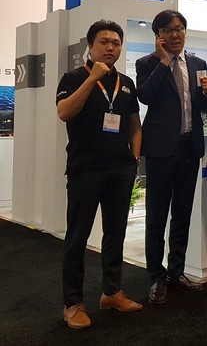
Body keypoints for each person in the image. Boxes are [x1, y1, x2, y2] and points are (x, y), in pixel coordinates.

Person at [56, 20, 143, 329]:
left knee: (115, 233)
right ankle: (73, 303)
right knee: (77, 237)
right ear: (90, 46)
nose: (110, 48)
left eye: (116, 43)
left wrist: (133, 160)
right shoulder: (74, 77)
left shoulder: (126, 82)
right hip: (85, 170)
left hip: (120, 170)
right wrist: (92, 79)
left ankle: (112, 292)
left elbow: (134, 124)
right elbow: (64, 112)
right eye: (104, 42)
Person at [136, 10, 207, 304]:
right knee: (156, 218)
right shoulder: (147, 63)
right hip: (160, 151)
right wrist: (163, 62)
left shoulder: (197, 64)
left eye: (179, 28)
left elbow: (205, 109)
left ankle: (176, 272)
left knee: (182, 215)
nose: (175, 35)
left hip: (189, 149)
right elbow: (145, 96)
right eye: (167, 30)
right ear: (158, 36)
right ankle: (156, 278)